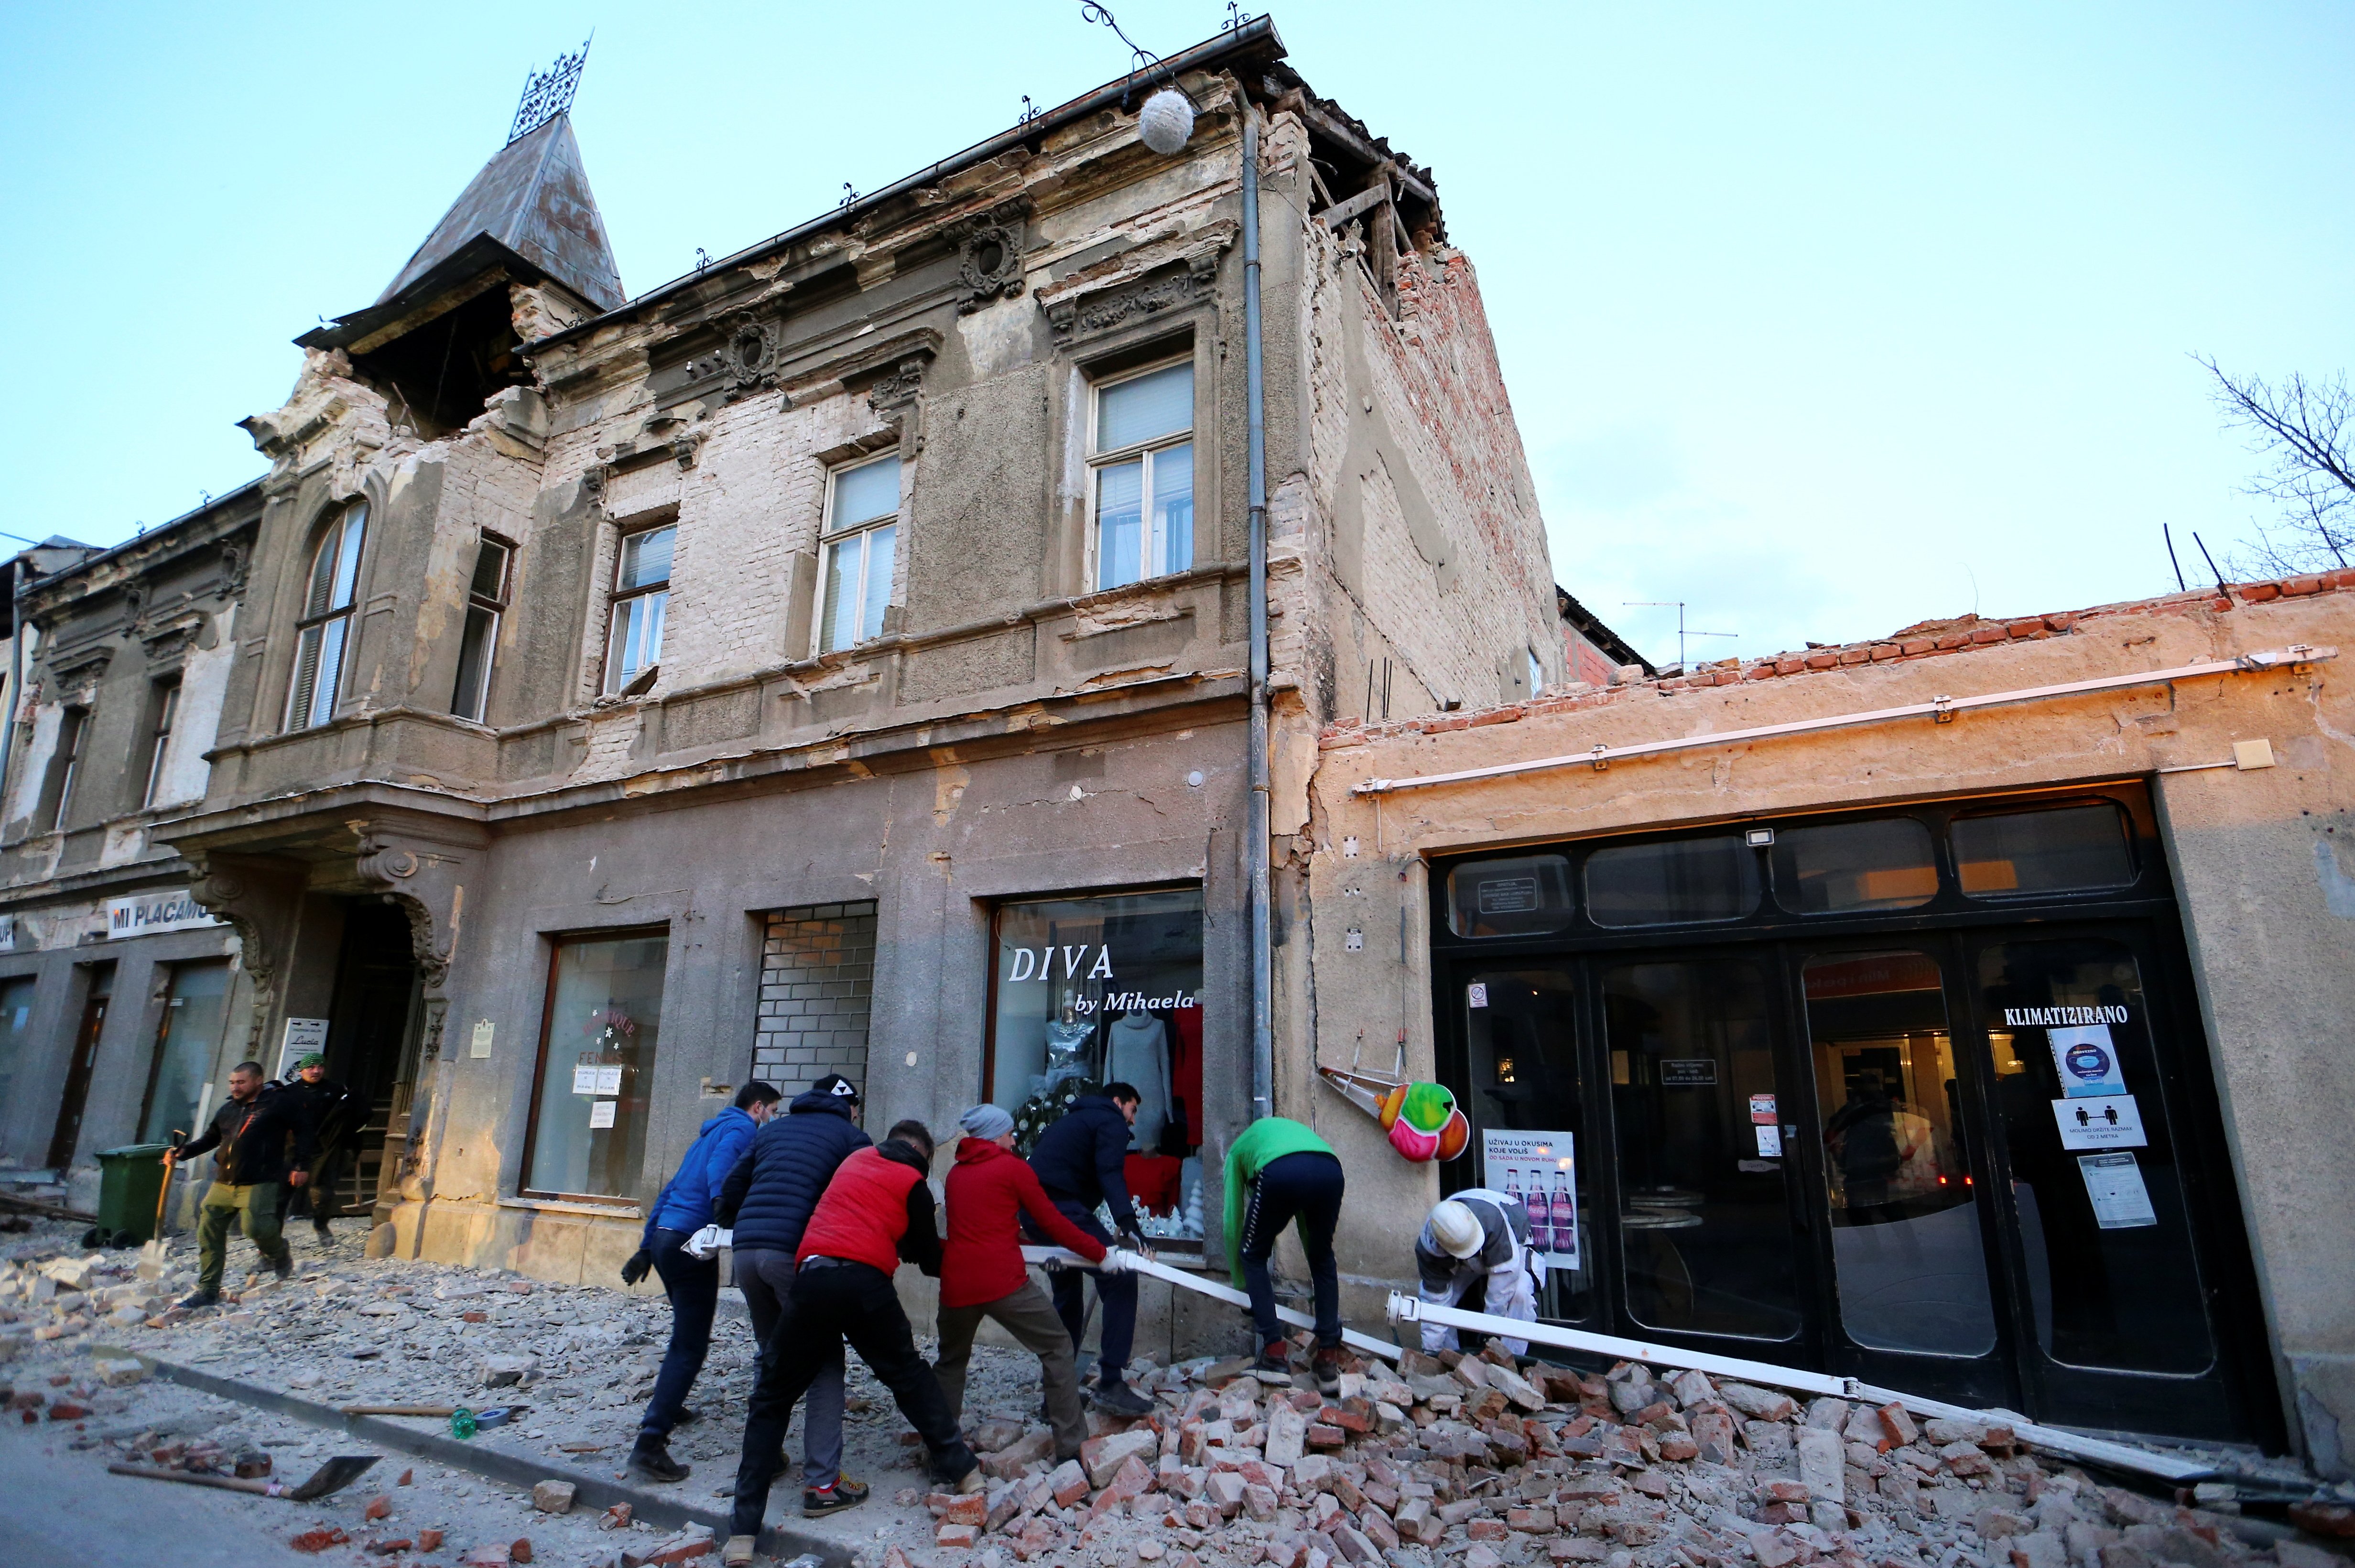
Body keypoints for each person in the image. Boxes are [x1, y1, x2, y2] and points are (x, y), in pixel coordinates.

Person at [724, 1121, 979, 1567]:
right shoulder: (913, 1182)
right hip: (865, 1284)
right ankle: (964, 1471)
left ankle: (742, 1534)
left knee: (772, 1396)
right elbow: (924, 1252)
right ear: (922, 1153)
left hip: (814, 1277)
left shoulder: (853, 1161)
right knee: (907, 1375)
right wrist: (969, 1260)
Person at [709, 1071, 871, 1511]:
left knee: (773, 1356)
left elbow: (731, 1188)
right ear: (848, 1107)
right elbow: (865, 1193)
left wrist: (745, 1226)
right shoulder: (850, 1136)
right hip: (794, 1255)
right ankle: (822, 1484)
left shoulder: (773, 1130)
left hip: (745, 1252)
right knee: (823, 1364)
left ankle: (766, 1457)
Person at [619, 1081, 781, 1484]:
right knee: (689, 1345)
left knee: (683, 1336)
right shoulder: (741, 1129)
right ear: (758, 1107)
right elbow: (720, 1169)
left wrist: (646, 1247)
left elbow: (670, 1189)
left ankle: (671, 1404)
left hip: (667, 1239)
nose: (772, 1118)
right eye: (773, 1110)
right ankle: (651, 1442)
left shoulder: (706, 1134)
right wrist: (722, 1207)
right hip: (692, 1243)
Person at [934, 1103, 1113, 1462]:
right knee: (1057, 1346)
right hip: (1002, 1282)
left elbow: (984, 1222)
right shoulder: (1013, 1168)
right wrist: (1099, 1251)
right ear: (994, 1136)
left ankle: (942, 1454)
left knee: (951, 1361)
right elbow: (1052, 1220)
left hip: (955, 1285)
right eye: (1009, 1133)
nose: (1014, 1140)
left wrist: (1023, 1239)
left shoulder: (956, 1174)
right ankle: (1071, 1446)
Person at [1024, 1081, 1155, 1416]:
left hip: (1035, 1211)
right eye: (1132, 1110)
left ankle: (1057, 1396)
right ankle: (1111, 1383)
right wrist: (1130, 1225)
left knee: (1067, 1296)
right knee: (1119, 1276)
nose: (1133, 1121)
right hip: (1058, 1208)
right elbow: (1110, 1172)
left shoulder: (1075, 1121)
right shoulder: (1107, 1119)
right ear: (1116, 1101)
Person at [162, 1060, 314, 1308]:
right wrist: (183, 1153)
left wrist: (301, 1165)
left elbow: (305, 1131)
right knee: (208, 1231)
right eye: (233, 1083)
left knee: (256, 1229)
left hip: (260, 1181)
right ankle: (208, 1289)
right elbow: (211, 1138)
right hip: (223, 1182)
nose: (235, 1087)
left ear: (257, 1081)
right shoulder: (228, 1110)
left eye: (241, 1083)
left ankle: (278, 1252)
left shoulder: (279, 1103)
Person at [1221, 1115, 1347, 1390]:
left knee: (1253, 1254)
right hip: (1331, 1169)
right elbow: (1306, 1224)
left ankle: (1275, 1356)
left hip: (1280, 1170)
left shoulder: (1237, 1152)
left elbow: (1232, 1222)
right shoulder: (1283, 1136)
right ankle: (1327, 1361)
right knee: (1323, 1257)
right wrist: (1313, 1254)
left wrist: (1243, 1284)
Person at [1413, 1190, 1545, 1357]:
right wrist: (1430, 1353)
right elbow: (1435, 1305)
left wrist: (1490, 1333)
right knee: (1444, 1306)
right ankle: (1446, 1358)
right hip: (1456, 1256)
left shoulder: (1494, 1222)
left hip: (1511, 1241)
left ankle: (1510, 1360)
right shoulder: (1429, 1249)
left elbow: (1503, 1285)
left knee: (1520, 1294)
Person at [277, 1053, 360, 1251]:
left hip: (322, 1151)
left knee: (322, 1193)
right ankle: (272, 1242)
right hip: (291, 1150)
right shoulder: (288, 1093)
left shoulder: (335, 1091)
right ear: (301, 1070)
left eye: (320, 1067)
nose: (316, 1071)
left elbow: (349, 1117)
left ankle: (321, 1225)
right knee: (279, 1198)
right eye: (311, 1067)